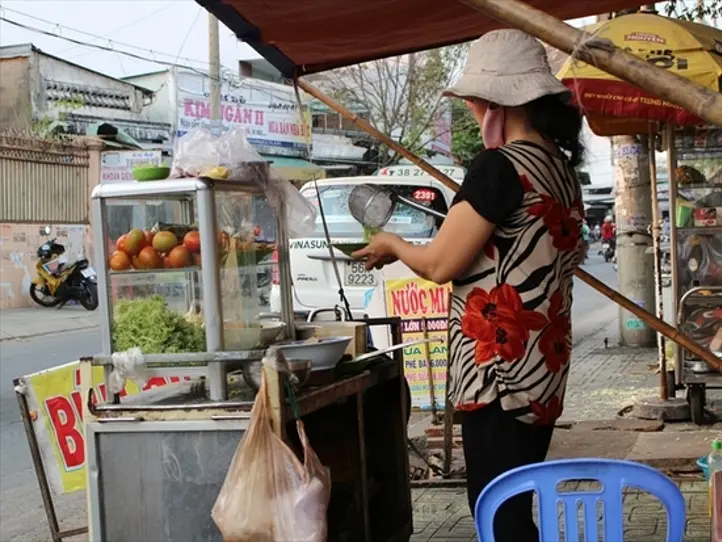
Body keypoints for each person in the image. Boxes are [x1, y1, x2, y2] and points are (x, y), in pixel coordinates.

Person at [352, 29, 585, 541]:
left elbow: (440, 263)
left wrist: (392, 244)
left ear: (493, 103)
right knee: (515, 503)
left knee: (497, 511)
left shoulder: (499, 167)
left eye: (474, 103)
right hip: (543, 367)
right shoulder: (560, 169)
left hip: (498, 373)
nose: (473, 113)